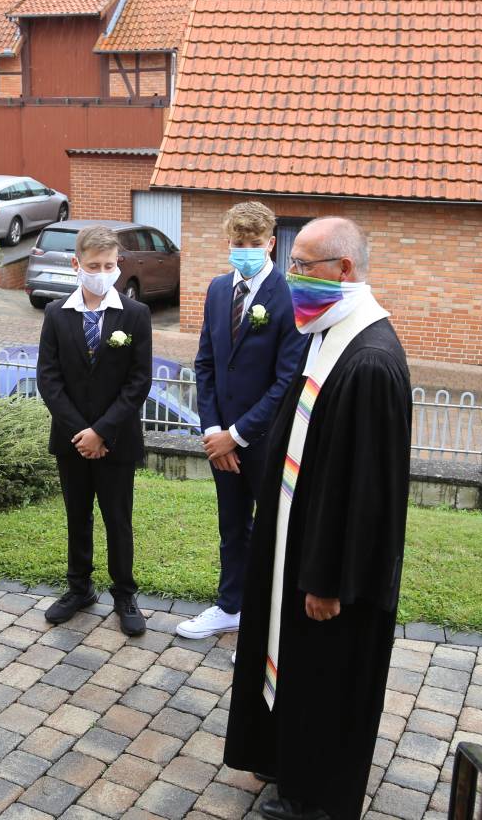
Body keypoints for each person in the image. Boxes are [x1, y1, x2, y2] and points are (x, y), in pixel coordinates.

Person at [224, 217, 413, 820]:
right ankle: (285, 759)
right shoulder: (329, 335)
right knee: (295, 666)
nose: (292, 278)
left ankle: (315, 799)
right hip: (293, 539)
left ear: (345, 270)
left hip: (329, 567)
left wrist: (329, 579)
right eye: (292, 264)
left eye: (304, 266)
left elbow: (367, 496)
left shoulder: (371, 362)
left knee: (327, 677)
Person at [179, 202, 309, 642]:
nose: (246, 251)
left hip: (264, 441)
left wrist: (236, 436)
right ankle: (229, 606)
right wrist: (214, 431)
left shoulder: (289, 296)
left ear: (271, 244)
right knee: (231, 527)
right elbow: (206, 364)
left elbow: (286, 380)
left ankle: (264, 627)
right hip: (221, 440)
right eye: (238, 244)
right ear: (228, 244)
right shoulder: (217, 289)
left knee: (271, 534)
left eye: (254, 244)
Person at [35, 224, 153, 637]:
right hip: (72, 442)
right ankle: (79, 587)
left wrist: (102, 431)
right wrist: (81, 432)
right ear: (76, 265)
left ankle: (125, 593)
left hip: (117, 441)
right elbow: (49, 380)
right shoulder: (56, 314)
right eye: (93, 265)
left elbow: (139, 382)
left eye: (109, 265)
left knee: (118, 518)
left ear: (117, 264)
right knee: (77, 515)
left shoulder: (135, 315)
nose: (102, 272)